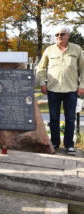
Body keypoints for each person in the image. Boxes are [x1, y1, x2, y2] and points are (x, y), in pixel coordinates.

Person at [37, 26, 84, 155]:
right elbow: (41, 68)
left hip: (71, 90)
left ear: (68, 35)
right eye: (57, 34)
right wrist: (42, 83)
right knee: (53, 118)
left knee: (70, 118)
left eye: (62, 34)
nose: (59, 36)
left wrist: (82, 86)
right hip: (53, 90)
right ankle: (55, 143)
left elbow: (83, 69)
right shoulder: (49, 50)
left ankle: (69, 145)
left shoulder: (77, 49)